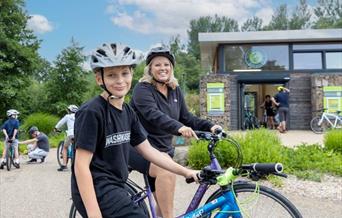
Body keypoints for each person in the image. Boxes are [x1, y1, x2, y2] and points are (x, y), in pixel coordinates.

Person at [71, 42, 198, 218]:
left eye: (125, 73)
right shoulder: (92, 112)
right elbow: (81, 166)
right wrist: (94, 214)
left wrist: (186, 172)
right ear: (99, 79)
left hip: (116, 185)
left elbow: (148, 150)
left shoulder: (127, 111)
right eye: (112, 75)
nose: (120, 80)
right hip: (96, 188)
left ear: (132, 74)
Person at [129, 45, 221, 218]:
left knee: (163, 209)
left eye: (166, 64)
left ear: (171, 68)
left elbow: (187, 117)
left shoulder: (174, 90)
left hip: (163, 151)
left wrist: (210, 126)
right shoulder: (142, 90)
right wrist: (178, 128)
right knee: (167, 171)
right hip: (139, 149)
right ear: (149, 68)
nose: (162, 68)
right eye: (157, 65)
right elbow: (154, 115)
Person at [55, 104, 78, 171]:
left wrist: (56, 128)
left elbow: (60, 123)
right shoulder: (79, 116)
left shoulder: (67, 116)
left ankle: (64, 165)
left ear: (69, 110)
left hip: (71, 134)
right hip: (78, 134)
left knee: (65, 147)